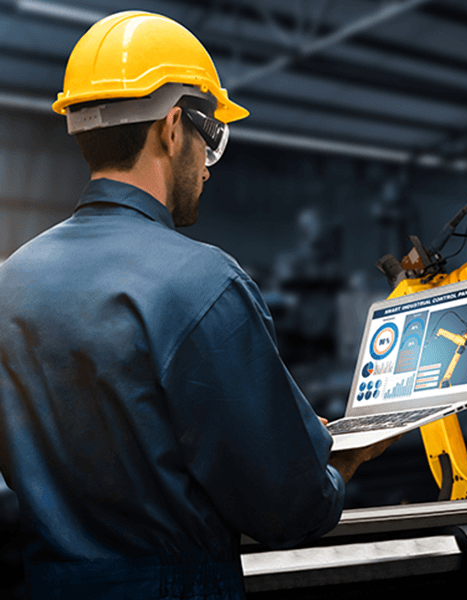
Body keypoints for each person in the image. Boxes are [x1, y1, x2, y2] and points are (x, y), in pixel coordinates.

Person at [0, 10, 393, 599]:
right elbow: (287, 506)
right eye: (209, 140)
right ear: (173, 127)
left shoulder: (10, 283)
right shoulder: (201, 285)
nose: (207, 168)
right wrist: (342, 464)